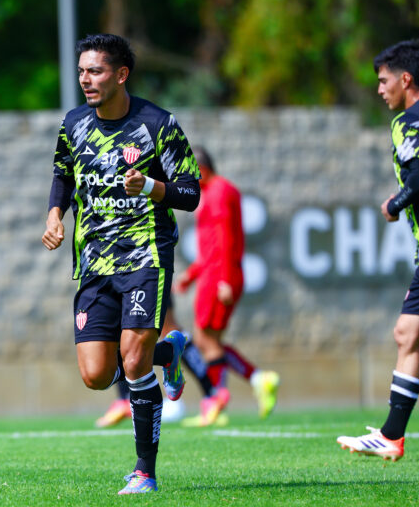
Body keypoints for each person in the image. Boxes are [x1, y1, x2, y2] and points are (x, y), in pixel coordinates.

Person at [42, 33, 200, 494]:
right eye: (82, 71)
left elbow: (190, 192)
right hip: (93, 263)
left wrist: (152, 187)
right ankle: (169, 353)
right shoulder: (73, 124)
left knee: (133, 365)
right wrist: (55, 215)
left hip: (145, 256)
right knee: (95, 375)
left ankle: (145, 472)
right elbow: (62, 174)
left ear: (121, 75)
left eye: (95, 71)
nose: (85, 80)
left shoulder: (158, 124)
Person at [337, 40, 419, 462]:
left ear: (405, 79)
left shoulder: (407, 121)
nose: (380, 90)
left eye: (383, 82)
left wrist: (394, 203)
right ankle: (391, 435)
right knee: (406, 333)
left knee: (407, 334)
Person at [173, 146, 279, 427]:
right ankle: (249, 385)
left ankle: (220, 396)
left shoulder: (218, 192)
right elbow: (211, 245)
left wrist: (223, 279)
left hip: (219, 276)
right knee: (212, 342)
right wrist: (193, 273)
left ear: (202, 170)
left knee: (204, 340)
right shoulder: (215, 192)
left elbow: (224, 240)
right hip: (215, 272)